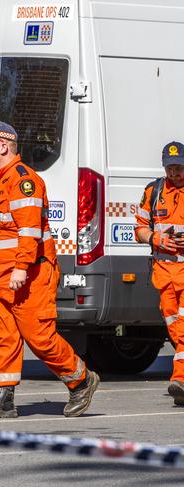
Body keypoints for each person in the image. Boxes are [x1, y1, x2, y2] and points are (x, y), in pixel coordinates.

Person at [0, 121, 99, 418]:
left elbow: (29, 230)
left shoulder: (24, 180)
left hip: (27, 274)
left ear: (3, 145)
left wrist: (21, 268)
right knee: (4, 337)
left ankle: (81, 380)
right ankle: (2, 398)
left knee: (39, 337)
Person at [134, 141, 184, 407]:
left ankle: (180, 380)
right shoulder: (153, 191)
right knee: (175, 329)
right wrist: (156, 238)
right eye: (170, 168)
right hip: (164, 275)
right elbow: (140, 229)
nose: (175, 173)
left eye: (179, 168)